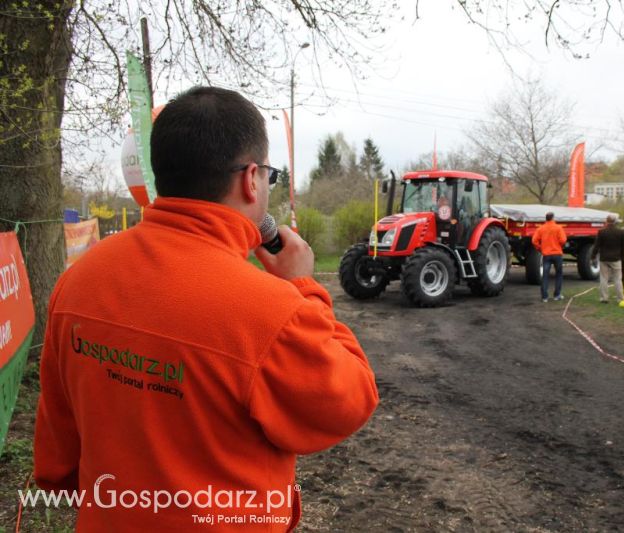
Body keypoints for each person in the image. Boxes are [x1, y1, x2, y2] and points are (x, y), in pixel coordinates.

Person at [34, 87, 379, 531]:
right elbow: (349, 400)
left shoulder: (78, 280)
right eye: (268, 178)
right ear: (251, 179)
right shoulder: (271, 311)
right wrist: (302, 287)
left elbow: (57, 463)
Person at [532, 211, 567, 302]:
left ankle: (544, 297)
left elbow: (534, 241)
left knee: (545, 275)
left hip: (546, 255)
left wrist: (540, 248)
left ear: (546, 218)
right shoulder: (558, 228)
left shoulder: (541, 229)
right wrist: (560, 245)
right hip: (557, 254)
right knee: (559, 274)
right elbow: (563, 240)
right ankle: (557, 295)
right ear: (553, 218)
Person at [591, 214, 624, 302]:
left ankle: (604, 298)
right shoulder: (621, 232)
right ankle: (620, 298)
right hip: (616, 258)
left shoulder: (601, 232)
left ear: (607, 221)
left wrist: (593, 255)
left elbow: (597, 245)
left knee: (603, 278)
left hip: (604, 258)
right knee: (617, 279)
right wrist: (622, 256)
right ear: (615, 222)